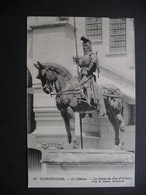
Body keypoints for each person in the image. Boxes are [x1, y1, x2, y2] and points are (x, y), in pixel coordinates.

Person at [76, 36, 106, 116]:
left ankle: (88, 102)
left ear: (89, 46)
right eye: (83, 46)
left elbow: (93, 62)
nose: (84, 47)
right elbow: (81, 65)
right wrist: (78, 62)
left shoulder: (92, 55)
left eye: (85, 46)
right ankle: (80, 100)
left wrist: (88, 70)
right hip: (81, 74)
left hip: (88, 75)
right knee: (76, 85)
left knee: (86, 85)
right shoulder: (83, 56)